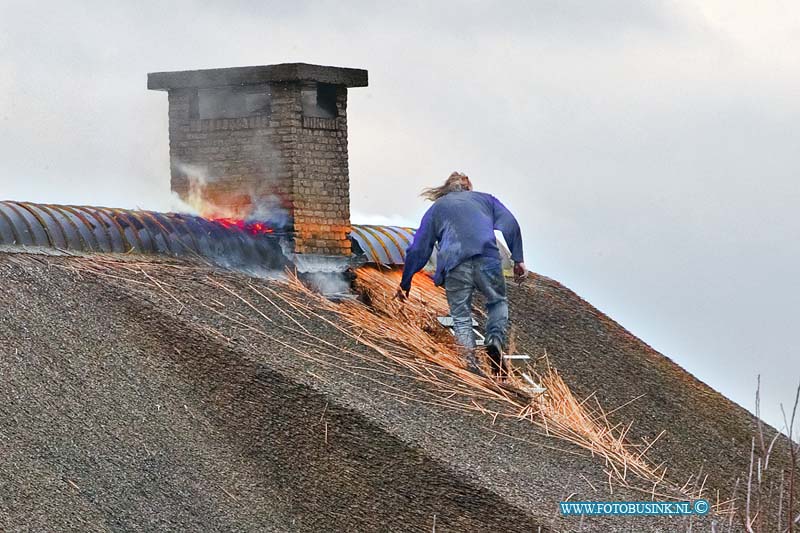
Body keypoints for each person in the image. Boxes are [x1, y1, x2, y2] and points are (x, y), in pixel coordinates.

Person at [395, 171, 527, 377]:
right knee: (497, 302)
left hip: (455, 264)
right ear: (469, 188)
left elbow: (419, 248)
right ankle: (494, 340)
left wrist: (406, 281)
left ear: (447, 189)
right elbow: (510, 225)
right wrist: (518, 259)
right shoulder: (486, 200)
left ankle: (471, 364)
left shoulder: (437, 208)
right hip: (488, 260)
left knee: (461, 316)